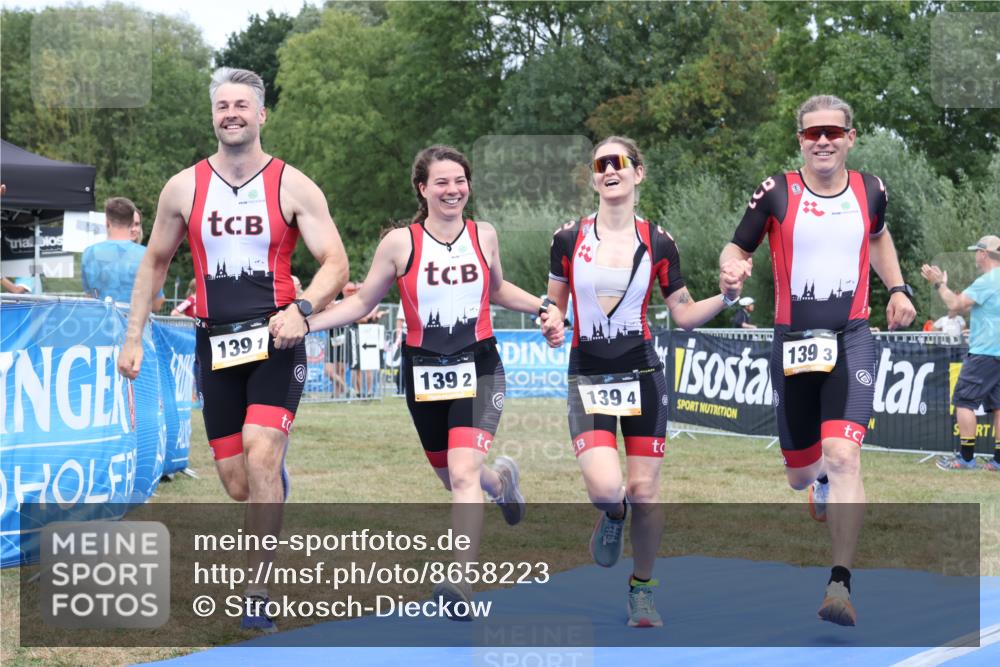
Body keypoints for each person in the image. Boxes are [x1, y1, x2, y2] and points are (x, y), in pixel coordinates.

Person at [117, 67, 350, 632]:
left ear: (261, 114)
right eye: (223, 106)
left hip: (277, 337)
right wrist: (134, 334)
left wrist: (303, 309)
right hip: (214, 344)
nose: (232, 113)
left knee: (262, 451)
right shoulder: (183, 187)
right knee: (238, 480)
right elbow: (155, 262)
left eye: (242, 105)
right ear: (214, 116)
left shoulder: (293, 185)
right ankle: (273, 489)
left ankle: (256, 591)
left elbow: (336, 263)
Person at [303, 145, 564, 618]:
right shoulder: (400, 243)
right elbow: (362, 304)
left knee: (463, 473)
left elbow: (498, 288)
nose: (452, 189)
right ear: (422, 189)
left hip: (480, 366)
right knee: (455, 478)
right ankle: (502, 482)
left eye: (459, 180)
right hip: (422, 372)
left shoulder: (485, 234)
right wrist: (306, 322)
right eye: (441, 182)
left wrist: (545, 306)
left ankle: (460, 584)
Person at [719, 95, 916, 627]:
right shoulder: (777, 192)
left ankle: (840, 583)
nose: (823, 140)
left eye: (833, 131)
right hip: (793, 342)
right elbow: (736, 249)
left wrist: (896, 287)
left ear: (851, 137)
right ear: (800, 141)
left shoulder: (871, 190)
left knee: (845, 453)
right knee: (801, 474)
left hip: (852, 334)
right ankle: (820, 481)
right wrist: (731, 272)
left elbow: (877, 236)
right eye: (812, 134)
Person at [546, 136, 748, 628]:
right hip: (588, 374)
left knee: (645, 491)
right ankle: (612, 516)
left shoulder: (658, 241)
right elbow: (554, 302)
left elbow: (682, 315)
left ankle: (642, 589)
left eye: (620, 162)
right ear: (593, 176)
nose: (610, 170)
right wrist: (551, 320)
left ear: (639, 172)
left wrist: (725, 297)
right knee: (605, 488)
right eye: (601, 163)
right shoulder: (568, 238)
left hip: (642, 375)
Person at [921, 235, 1000, 472]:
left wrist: (939, 284)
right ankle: (997, 460)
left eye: (977, 251)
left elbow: (955, 304)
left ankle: (966, 459)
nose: (975, 255)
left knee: (964, 401)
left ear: (983, 254)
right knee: (998, 406)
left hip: (984, 352)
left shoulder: (988, 281)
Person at [82, 197, 165, 310]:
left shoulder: (89, 253)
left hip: (100, 324)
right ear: (132, 222)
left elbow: (89, 298)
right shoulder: (147, 255)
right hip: (135, 325)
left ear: (107, 222)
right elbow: (157, 304)